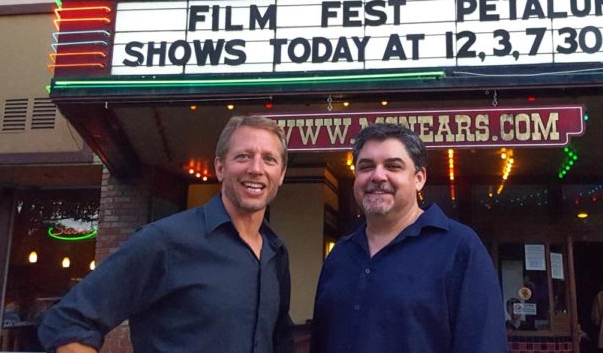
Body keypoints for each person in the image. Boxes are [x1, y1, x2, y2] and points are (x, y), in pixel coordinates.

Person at [38, 115, 294, 353]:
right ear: (220, 167)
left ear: (281, 174)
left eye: (269, 159)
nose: (256, 169)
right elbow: (67, 322)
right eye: (243, 156)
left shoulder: (275, 253)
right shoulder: (165, 241)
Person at [310, 123, 507, 352]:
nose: (377, 176)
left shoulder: (460, 248)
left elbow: (484, 344)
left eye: (393, 166)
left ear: (419, 178)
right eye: (366, 167)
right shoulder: (340, 256)